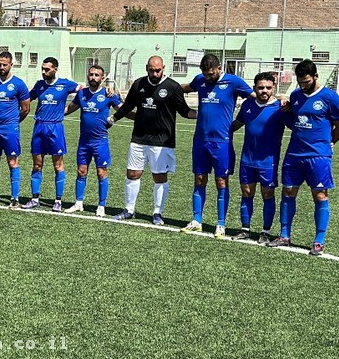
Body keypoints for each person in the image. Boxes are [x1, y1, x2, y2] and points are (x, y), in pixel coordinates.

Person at [268, 59, 339, 256]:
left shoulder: (330, 97)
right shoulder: (296, 96)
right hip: (294, 154)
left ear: (316, 76)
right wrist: (284, 104)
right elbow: (294, 121)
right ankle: (284, 235)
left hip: (318, 156)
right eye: (300, 82)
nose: (303, 85)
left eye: (307, 82)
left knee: (319, 195)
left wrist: (331, 142)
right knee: (288, 192)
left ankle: (319, 241)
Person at [108, 55, 195, 225]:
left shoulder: (173, 87)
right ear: (147, 68)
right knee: (133, 174)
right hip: (139, 138)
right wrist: (113, 119)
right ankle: (129, 209)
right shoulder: (139, 84)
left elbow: (184, 111)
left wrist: (204, 114)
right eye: (151, 70)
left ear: (164, 69)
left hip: (162, 141)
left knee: (159, 177)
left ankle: (157, 213)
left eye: (158, 70)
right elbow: (128, 106)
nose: (155, 73)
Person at [180, 54, 254, 238]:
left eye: (211, 74)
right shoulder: (200, 80)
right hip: (200, 140)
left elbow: (256, 96)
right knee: (199, 179)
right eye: (205, 74)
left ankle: (221, 223)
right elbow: (184, 88)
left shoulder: (233, 82)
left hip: (222, 142)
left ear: (219, 68)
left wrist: (280, 99)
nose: (208, 77)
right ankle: (197, 220)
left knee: (221, 181)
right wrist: (165, 86)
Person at [229, 72, 285, 243]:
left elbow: (298, 126)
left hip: (268, 161)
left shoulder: (281, 108)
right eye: (260, 87)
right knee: (247, 192)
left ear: (273, 88)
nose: (264, 91)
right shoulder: (247, 105)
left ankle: (265, 232)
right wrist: (220, 130)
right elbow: (237, 124)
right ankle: (245, 229)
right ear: (254, 88)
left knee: (267, 194)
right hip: (247, 159)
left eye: (268, 87)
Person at [23, 57, 81, 212]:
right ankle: (35, 199)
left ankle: (58, 201)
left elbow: (84, 90)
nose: (44, 72)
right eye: (42, 69)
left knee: (58, 165)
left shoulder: (65, 84)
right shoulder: (39, 85)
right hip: (39, 127)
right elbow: (26, 98)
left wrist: (69, 108)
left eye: (47, 69)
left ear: (55, 69)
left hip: (55, 128)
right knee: (37, 165)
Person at [64, 64, 122, 216]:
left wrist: (114, 119)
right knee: (81, 171)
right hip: (84, 141)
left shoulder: (108, 94)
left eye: (97, 75)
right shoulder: (81, 93)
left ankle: (101, 206)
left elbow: (122, 109)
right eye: (91, 74)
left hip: (100, 141)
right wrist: (51, 112)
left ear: (102, 78)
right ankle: (78, 203)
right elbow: (69, 109)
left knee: (101, 172)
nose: (93, 77)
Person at [0, 51, 31, 207]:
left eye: (5, 65)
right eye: (0, 64)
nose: (2, 67)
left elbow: (26, 109)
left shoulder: (19, 84)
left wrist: (14, 121)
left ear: (11, 65)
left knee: (12, 162)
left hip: (10, 129)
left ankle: (14, 199)